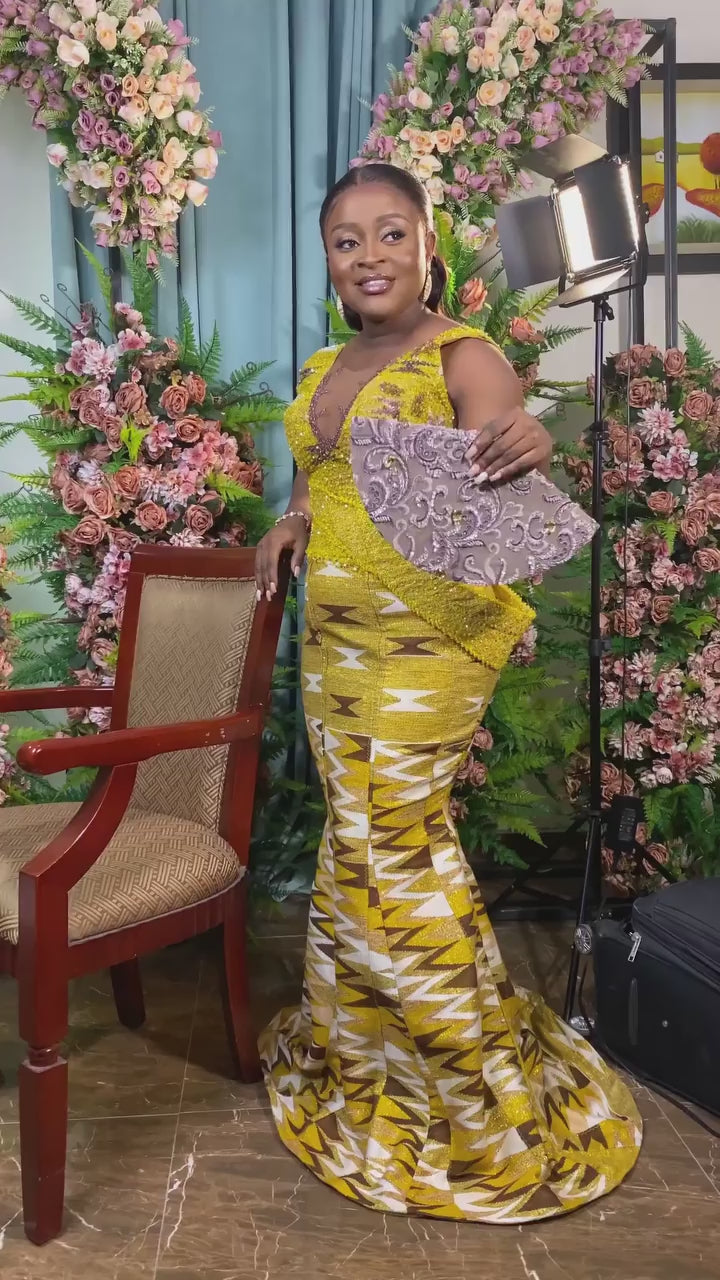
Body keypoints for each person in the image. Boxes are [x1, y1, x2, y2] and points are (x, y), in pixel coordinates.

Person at [257, 162, 641, 1223]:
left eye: (391, 232)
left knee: (391, 838)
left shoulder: (462, 353)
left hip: (429, 636)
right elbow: (320, 476)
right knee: (363, 838)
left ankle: (476, 1102)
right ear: (329, 260)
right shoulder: (327, 362)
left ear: (430, 246)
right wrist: (291, 520)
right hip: (334, 642)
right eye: (347, 240)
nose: (369, 255)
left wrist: (532, 442)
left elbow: (509, 460)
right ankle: (366, 1056)